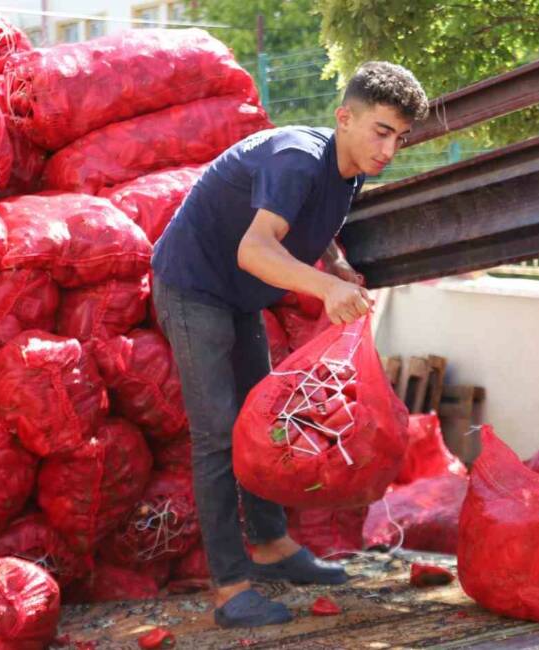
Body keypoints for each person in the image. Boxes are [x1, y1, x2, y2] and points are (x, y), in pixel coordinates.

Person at [150, 61, 429, 628]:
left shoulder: (349, 170)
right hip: (193, 285)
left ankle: (272, 544)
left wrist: (338, 265)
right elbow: (255, 250)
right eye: (381, 131)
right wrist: (324, 288)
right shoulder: (297, 158)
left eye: (400, 137)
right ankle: (230, 588)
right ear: (343, 117)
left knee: (265, 419)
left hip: (240, 297)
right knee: (216, 434)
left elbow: (313, 223)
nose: (389, 150)